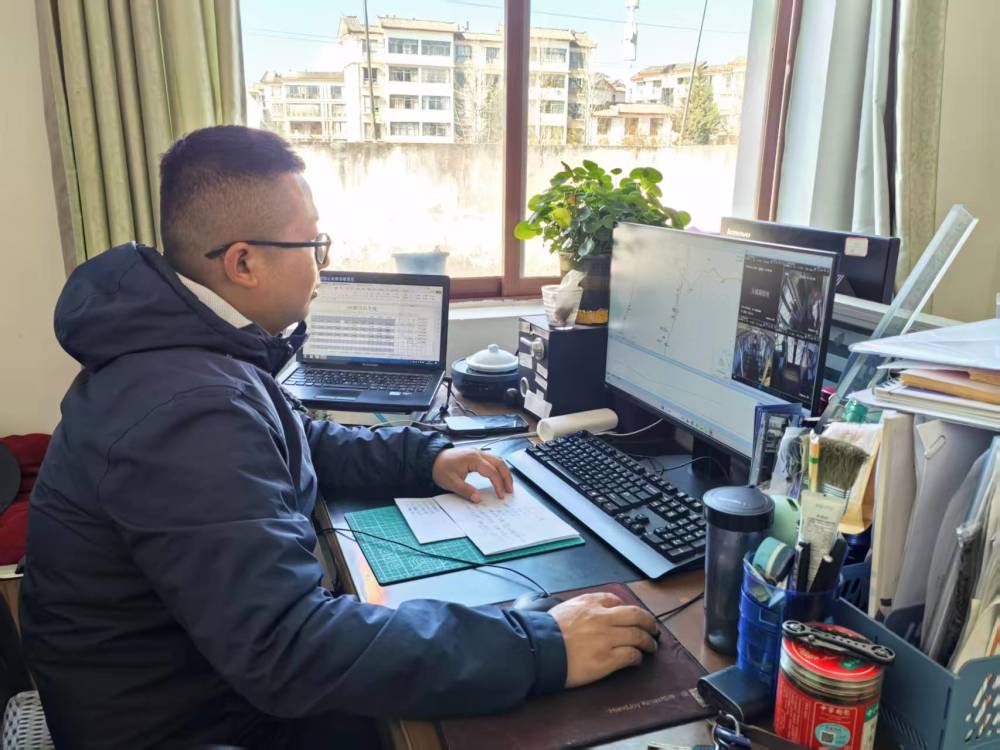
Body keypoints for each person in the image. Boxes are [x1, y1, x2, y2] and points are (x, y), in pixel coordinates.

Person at [19, 125, 658, 749]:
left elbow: (296, 440)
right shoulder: (189, 409)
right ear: (243, 262)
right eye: (312, 244)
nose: (324, 264)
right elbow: (290, 648)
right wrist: (539, 646)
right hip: (193, 724)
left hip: (202, 684)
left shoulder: (187, 350)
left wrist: (426, 457)